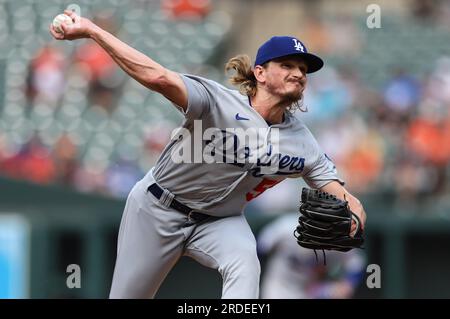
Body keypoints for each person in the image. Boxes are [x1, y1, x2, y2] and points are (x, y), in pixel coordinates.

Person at [50, 10, 367, 299]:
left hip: (220, 221)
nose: (298, 73)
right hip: (157, 209)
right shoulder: (217, 101)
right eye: (286, 65)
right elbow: (158, 77)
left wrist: (354, 219)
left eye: (302, 69)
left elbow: (345, 199)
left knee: (245, 262)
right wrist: (93, 30)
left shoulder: (303, 142)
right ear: (259, 73)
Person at [258, 213, 365, 299]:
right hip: (279, 287)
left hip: (311, 290)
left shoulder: (340, 240)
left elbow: (356, 263)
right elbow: (262, 248)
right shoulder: (287, 227)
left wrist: (348, 284)